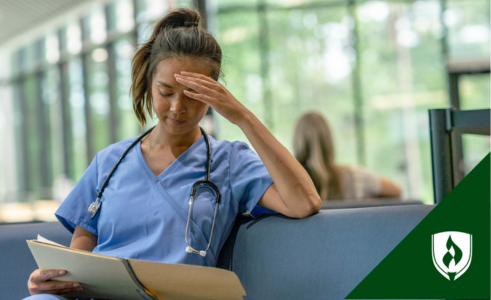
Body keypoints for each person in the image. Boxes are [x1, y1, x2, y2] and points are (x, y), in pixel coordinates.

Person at [25, 9, 321, 299]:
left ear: (215, 94)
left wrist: (242, 116)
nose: (177, 107)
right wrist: (51, 284)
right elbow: (80, 262)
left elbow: (304, 203)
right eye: (165, 92)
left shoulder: (230, 162)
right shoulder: (110, 162)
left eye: (192, 95)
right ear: (149, 84)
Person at [292, 111, 402, 201]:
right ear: (329, 142)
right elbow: (396, 191)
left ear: (297, 143)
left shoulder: (288, 184)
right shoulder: (354, 176)